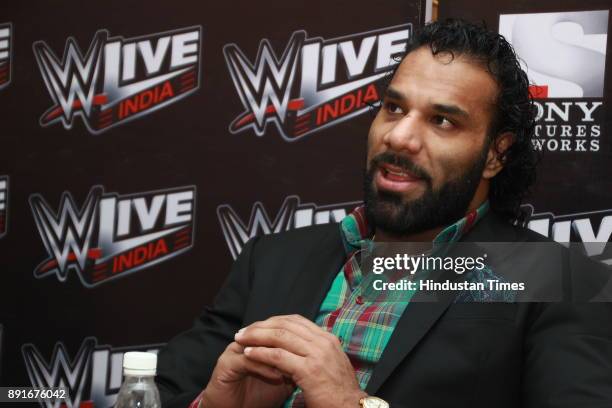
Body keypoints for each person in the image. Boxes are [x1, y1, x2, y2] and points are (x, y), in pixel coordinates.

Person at [155, 19, 612, 408]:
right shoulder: (271, 259)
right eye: (394, 108)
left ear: (495, 154)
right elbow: (153, 394)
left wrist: (350, 404)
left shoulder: (554, 281)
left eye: (443, 121)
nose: (400, 137)